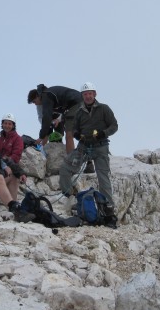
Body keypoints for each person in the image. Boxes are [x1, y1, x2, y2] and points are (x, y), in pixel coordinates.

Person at [58, 82, 119, 228]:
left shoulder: (104, 109)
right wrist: (79, 135)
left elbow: (114, 126)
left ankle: (108, 210)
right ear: (82, 96)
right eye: (85, 94)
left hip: (101, 147)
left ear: (95, 94)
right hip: (84, 146)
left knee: (103, 177)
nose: (88, 96)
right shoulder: (79, 112)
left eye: (90, 93)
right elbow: (75, 129)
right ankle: (72, 197)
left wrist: (103, 133)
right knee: (65, 169)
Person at [27, 84, 82, 154]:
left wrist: (41, 137)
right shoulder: (47, 96)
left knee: (69, 134)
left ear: (37, 96)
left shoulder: (46, 96)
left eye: (34, 101)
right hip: (77, 104)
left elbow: (47, 118)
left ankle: (71, 159)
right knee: (77, 133)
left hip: (75, 104)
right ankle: (88, 154)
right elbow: (43, 118)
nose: (35, 104)